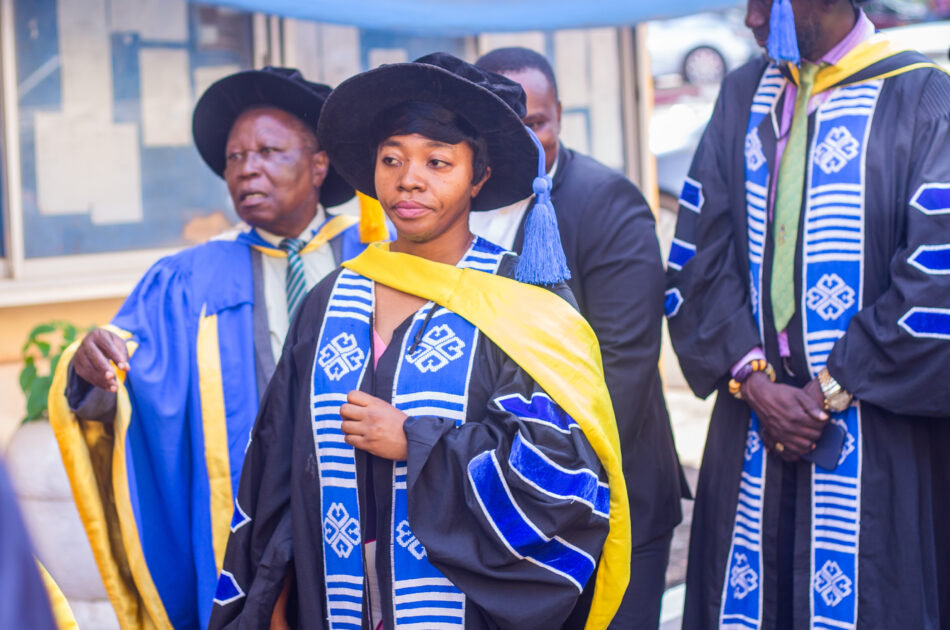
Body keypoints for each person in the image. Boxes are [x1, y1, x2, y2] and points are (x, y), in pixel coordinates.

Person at [208, 52, 631, 630]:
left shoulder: (521, 303)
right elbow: (278, 470)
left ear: (478, 177)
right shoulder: (330, 300)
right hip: (335, 606)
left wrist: (417, 442)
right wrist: (274, 603)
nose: (409, 179)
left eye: (437, 161)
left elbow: (559, 474)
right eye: (392, 159)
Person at [49, 67, 385, 629]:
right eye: (234, 157)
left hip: (363, 500)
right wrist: (93, 372)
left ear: (318, 164)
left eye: (268, 151)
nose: (246, 168)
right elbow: (127, 377)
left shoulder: (381, 256)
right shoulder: (187, 279)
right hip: (249, 519)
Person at [665, 0, 950, 627]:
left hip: (876, 428)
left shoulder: (922, 97)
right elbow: (700, 255)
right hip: (753, 420)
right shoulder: (744, 93)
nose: (751, 19)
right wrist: (756, 383)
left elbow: (936, 280)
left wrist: (827, 390)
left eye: (766, 2)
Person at [474, 47, 688, 630]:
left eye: (537, 122)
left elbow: (625, 365)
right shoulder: (462, 205)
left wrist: (532, 476)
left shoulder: (606, 201)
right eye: (506, 124)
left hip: (607, 496)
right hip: (504, 500)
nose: (524, 140)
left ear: (561, 116)